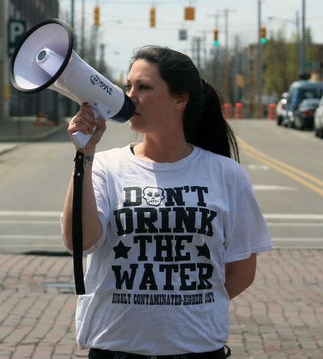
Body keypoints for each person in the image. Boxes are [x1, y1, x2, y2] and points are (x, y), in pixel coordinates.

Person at [62, 46, 273, 359]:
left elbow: (242, 271)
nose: (130, 97)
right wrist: (85, 154)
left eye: (144, 88)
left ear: (180, 99)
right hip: (116, 350)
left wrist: (188, 310)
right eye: (128, 86)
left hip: (197, 351)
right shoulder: (106, 166)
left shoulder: (227, 174)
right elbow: (79, 241)